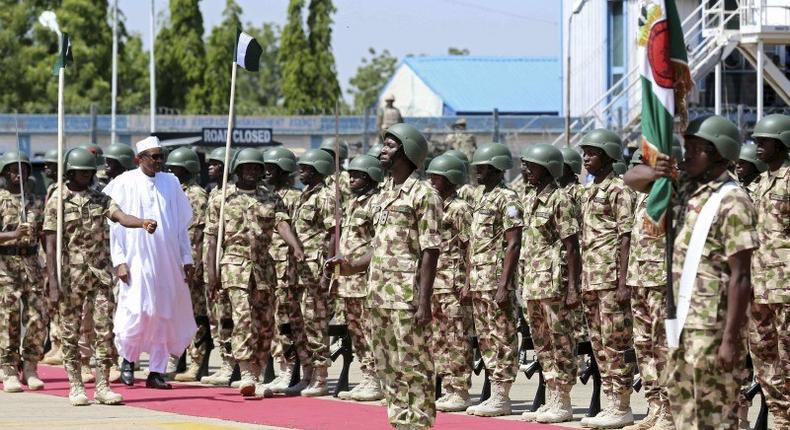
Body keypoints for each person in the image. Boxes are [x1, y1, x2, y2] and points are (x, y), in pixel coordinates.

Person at [624, 115, 757, 429]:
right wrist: (657, 169)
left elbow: (741, 277)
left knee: (716, 415)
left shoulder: (733, 201)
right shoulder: (688, 191)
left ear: (718, 153)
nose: (685, 156)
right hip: (683, 323)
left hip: (713, 326)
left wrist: (729, 341)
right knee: (685, 413)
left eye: (694, 149)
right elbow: (632, 178)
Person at [328, 123, 441, 430]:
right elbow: (378, 248)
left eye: (390, 146)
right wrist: (350, 265)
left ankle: (419, 424)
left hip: (408, 297)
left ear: (407, 151)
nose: (382, 151)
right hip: (378, 294)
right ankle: (399, 422)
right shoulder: (383, 195)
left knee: (414, 364)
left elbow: (431, 250)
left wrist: (424, 301)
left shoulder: (424, 194)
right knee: (388, 365)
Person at [43, 147, 156, 406]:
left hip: (100, 275)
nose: (85, 177)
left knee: (104, 331)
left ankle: (103, 385)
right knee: (70, 333)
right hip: (70, 276)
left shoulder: (100, 198)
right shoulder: (58, 200)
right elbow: (49, 242)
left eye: (88, 173)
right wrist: (52, 280)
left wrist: (141, 223)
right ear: (70, 172)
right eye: (80, 173)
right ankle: (75, 385)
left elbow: (121, 217)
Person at [205, 148, 303, 397]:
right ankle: (246, 371)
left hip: (263, 268)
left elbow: (281, 223)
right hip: (233, 266)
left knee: (264, 324)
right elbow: (212, 238)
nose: (251, 172)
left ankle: (257, 373)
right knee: (242, 319)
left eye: (256, 168)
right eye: (246, 167)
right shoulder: (221, 198)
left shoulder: (270, 198)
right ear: (237, 170)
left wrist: (294, 245)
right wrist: (212, 274)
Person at [103, 136, 197, 390]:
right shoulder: (123, 182)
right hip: (136, 258)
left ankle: (156, 371)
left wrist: (186, 258)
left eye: (161, 156)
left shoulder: (171, 182)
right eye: (154, 157)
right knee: (137, 310)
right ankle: (128, 362)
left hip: (168, 261)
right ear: (139, 159)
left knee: (163, 315)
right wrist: (119, 261)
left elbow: (180, 226)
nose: (159, 161)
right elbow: (114, 228)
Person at [518, 144, 581, 424]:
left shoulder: (561, 200)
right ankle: (551, 396)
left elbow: (572, 247)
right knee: (541, 342)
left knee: (561, 341)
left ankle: (564, 400)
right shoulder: (531, 198)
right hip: (533, 282)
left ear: (547, 168)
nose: (526, 170)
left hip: (554, 284)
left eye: (532, 165)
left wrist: (572, 288)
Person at [621, 144, 681, 430]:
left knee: (663, 349)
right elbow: (630, 177)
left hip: (661, 282)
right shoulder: (642, 198)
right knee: (644, 348)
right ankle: (655, 406)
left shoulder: (673, 194)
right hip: (639, 279)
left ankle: (670, 411)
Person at [579, 129, 636, 429]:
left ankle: (622, 404)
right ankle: (610, 400)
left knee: (616, 343)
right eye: (584, 152)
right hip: (591, 277)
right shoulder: (588, 190)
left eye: (593, 151)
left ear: (609, 155)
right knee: (598, 344)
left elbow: (626, 236)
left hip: (611, 279)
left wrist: (624, 282)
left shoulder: (619, 190)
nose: (586, 157)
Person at [464, 143, 522, 417]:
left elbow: (513, 244)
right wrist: (467, 282)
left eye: (483, 167)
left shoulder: (507, 199)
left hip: (495, 280)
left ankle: (503, 395)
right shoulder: (480, 197)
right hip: (478, 279)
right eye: (476, 166)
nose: (477, 171)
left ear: (497, 168)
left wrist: (504, 284)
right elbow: (473, 244)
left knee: (502, 337)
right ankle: (493, 390)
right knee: (486, 338)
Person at [749, 113, 790, 428]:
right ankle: (779, 416)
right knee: (763, 354)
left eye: (764, 141)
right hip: (759, 286)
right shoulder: (759, 184)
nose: (757, 146)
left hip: (785, 285)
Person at [286, 149, 338, 397]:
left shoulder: (326, 197)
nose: (300, 171)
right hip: (299, 271)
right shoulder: (304, 196)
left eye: (305, 167)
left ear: (318, 168)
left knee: (315, 324)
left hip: (316, 271)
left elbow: (333, 235)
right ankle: (306, 373)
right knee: (300, 324)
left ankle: (320, 377)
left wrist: (328, 271)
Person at [425, 154, 473, 412]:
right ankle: (447, 388)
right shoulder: (433, 207)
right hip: (435, 283)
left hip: (453, 283)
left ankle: (461, 390)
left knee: (457, 337)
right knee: (439, 337)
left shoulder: (460, 209)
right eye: (431, 176)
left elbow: (470, 247)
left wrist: (467, 283)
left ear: (451, 179)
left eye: (437, 177)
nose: (431, 181)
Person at [336, 154, 384, 402]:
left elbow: (378, 243)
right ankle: (367, 378)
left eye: (357, 175)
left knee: (371, 332)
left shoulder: (376, 203)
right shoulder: (352, 203)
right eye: (351, 174)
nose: (351, 178)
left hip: (366, 279)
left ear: (370, 177)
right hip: (348, 280)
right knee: (356, 333)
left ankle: (377, 380)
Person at [260, 147, 307, 394]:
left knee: (286, 321)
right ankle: (279, 368)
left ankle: (288, 369)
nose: (266, 173)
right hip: (266, 267)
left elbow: (295, 231)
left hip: (286, 268)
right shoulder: (264, 196)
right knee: (272, 320)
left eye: (272, 169)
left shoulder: (293, 197)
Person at [0, 151, 46, 393]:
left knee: (37, 318)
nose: (17, 173)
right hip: (5, 267)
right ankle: (8, 368)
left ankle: (30, 366)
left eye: (22, 168)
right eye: (11, 169)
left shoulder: (36, 201)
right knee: (9, 319)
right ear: (4, 173)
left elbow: (46, 233)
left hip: (32, 264)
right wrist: (13, 235)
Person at [165, 147, 211, 382]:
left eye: (176, 168)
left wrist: (193, 264)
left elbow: (198, 234)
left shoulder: (196, 195)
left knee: (196, 315)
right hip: (171, 263)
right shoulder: (172, 192)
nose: (171, 172)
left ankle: (197, 362)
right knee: (174, 314)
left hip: (189, 264)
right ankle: (174, 357)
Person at [199, 147, 237, 386]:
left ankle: (231, 363)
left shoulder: (230, 195)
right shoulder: (213, 192)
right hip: (209, 263)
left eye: (216, 164)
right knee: (215, 316)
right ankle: (224, 360)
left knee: (227, 318)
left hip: (226, 265)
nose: (211, 168)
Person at [41, 149, 64, 367]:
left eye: (50, 165)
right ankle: (55, 342)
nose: (46, 168)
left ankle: (62, 344)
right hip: (47, 251)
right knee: (50, 300)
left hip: (65, 254)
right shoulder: (52, 188)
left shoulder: (62, 190)